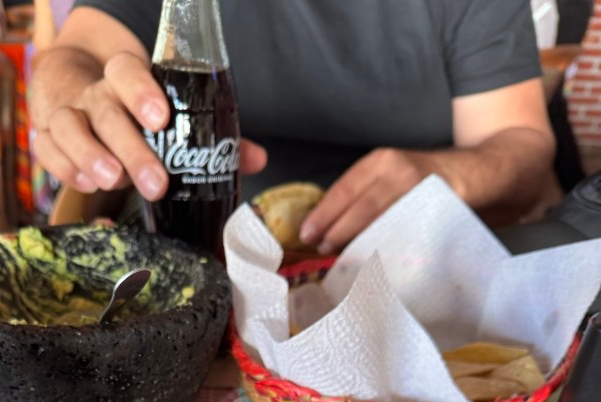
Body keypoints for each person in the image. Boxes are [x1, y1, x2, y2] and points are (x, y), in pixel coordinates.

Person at [31, 0, 556, 254]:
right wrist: (79, 100)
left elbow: (522, 148)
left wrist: (449, 177)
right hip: (207, 274)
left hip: (420, 278)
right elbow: (74, 56)